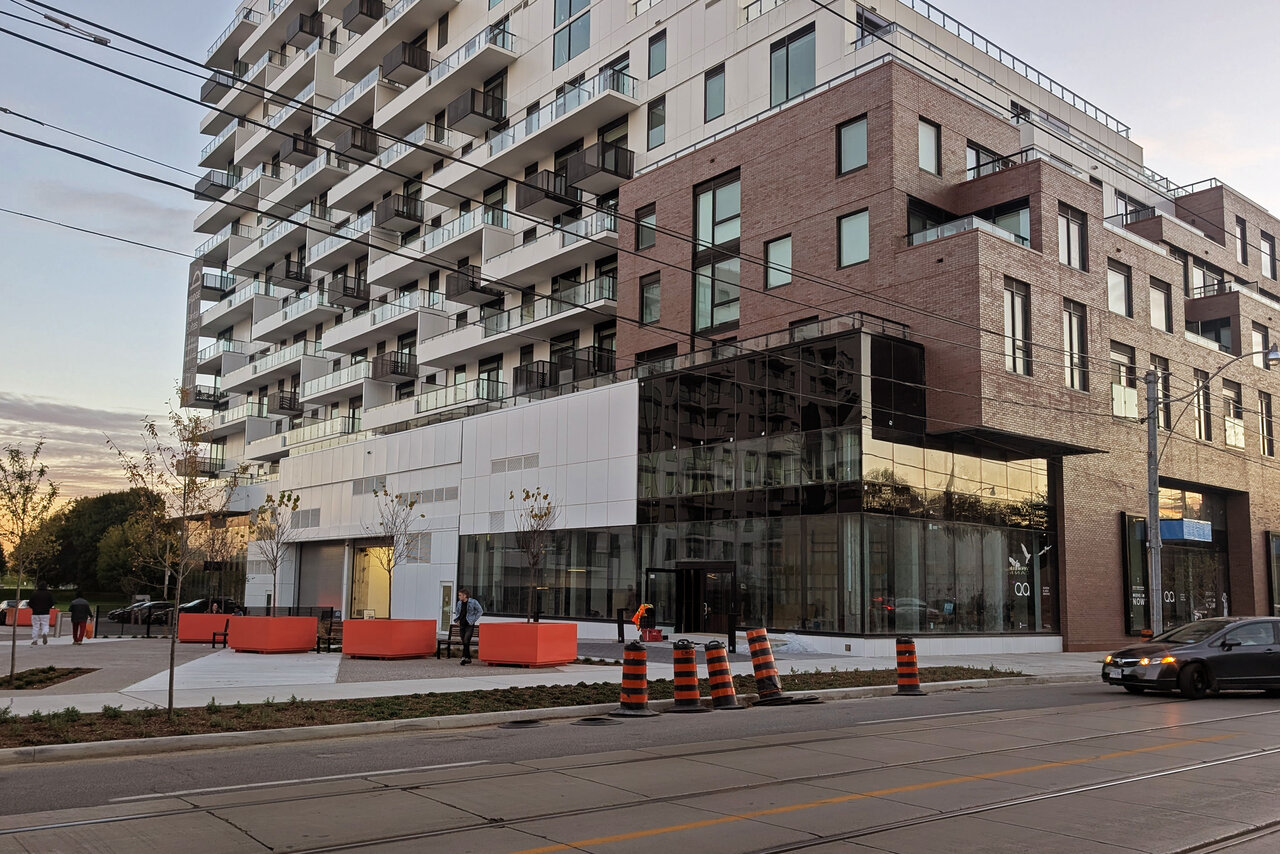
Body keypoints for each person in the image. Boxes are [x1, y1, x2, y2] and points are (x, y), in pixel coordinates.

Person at [452, 588, 483, 665]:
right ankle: (468, 658)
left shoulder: (473, 602)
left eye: (460, 595)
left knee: (466, 640)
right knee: (465, 642)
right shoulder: (459, 603)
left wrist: (473, 620)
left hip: (469, 624)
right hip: (462, 624)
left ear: (465, 595)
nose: (459, 597)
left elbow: (480, 611)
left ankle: (464, 658)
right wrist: (457, 620)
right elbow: (457, 612)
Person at [28, 581, 55, 646]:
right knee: (45, 625)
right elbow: (52, 603)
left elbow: (30, 603)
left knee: (35, 626)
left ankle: (35, 640)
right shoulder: (48, 594)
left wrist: (34, 607)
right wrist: (48, 607)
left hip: (35, 613)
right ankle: (44, 633)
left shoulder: (34, 593)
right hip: (45, 613)